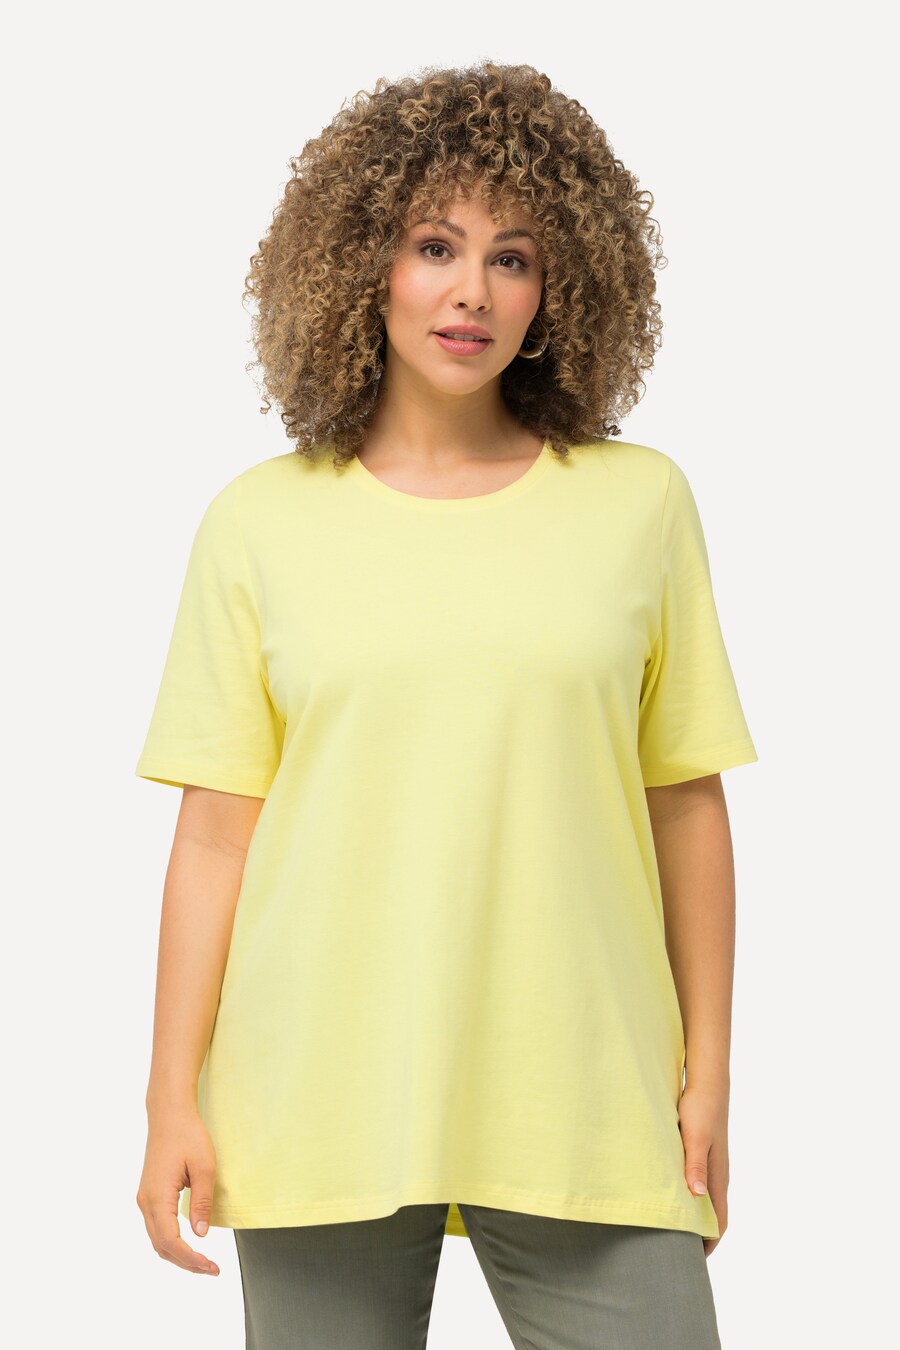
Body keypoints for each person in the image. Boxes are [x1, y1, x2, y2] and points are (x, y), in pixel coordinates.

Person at [134, 60, 757, 1350]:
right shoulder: (259, 523)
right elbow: (215, 836)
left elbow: (685, 806)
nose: (473, 291)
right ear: (360, 264)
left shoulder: (638, 503)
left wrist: (709, 1073)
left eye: (512, 256)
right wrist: (168, 1100)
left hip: (586, 1091)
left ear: (562, 285)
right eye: (435, 246)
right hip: (318, 1092)